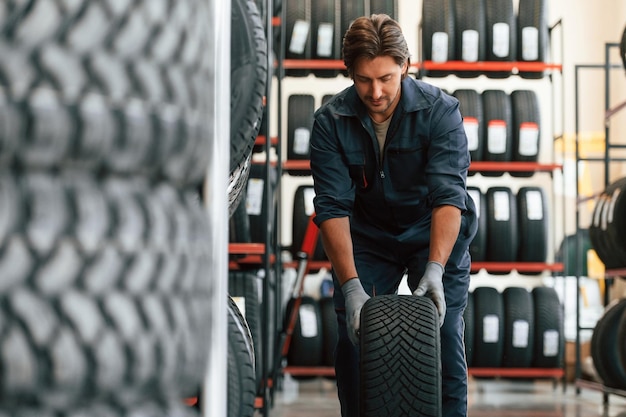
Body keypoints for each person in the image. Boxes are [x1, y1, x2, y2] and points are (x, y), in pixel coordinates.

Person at [309, 14, 478, 417]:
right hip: (368, 238)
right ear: (349, 71)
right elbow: (332, 207)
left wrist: (435, 269)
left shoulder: (441, 112)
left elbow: (449, 198)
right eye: (364, 79)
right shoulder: (330, 122)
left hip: (431, 234)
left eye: (386, 77)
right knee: (353, 344)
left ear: (405, 65)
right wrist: (350, 286)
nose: (377, 91)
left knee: (446, 339)